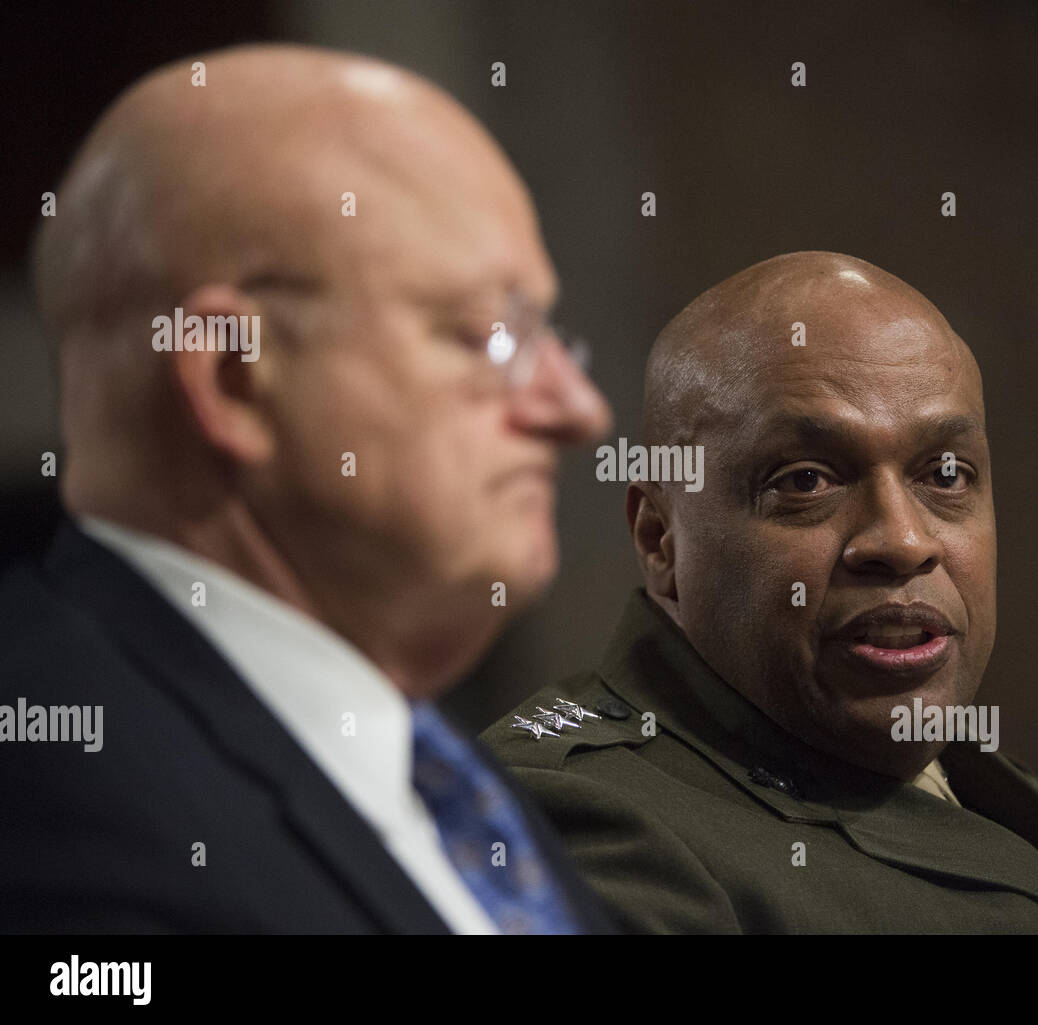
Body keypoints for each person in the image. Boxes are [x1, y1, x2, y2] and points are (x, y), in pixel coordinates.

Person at [0, 44, 613, 934]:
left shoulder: (450, 781)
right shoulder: (48, 781)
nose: (578, 408)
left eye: (550, 332)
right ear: (234, 376)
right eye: (492, 332)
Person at [482, 251, 1038, 935]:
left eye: (946, 474)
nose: (902, 540)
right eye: (805, 481)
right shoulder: (573, 824)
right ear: (660, 540)